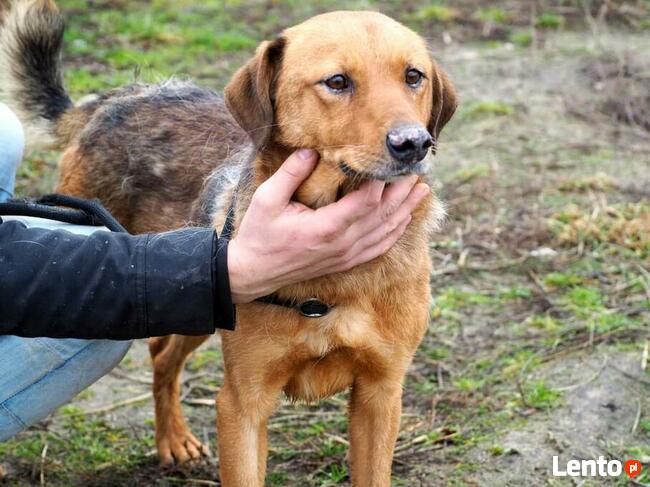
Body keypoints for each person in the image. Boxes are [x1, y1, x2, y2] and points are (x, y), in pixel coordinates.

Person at [0, 103, 429, 440]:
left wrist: (213, 274)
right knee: (91, 326)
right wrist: (228, 272)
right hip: (115, 159)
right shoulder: (119, 147)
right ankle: (164, 391)